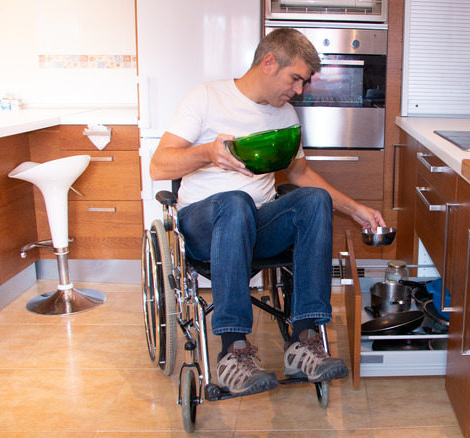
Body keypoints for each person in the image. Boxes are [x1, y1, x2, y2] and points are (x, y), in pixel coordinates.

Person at [149, 28, 386, 397]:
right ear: (269, 62)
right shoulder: (206, 96)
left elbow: (301, 174)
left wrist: (355, 210)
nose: (299, 90)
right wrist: (208, 153)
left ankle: (304, 341)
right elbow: (159, 166)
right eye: (296, 79)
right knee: (234, 201)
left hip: (255, 225)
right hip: (203, 224)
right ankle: (233, 351)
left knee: (313, 200)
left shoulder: (286, 114)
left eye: (304, 82)